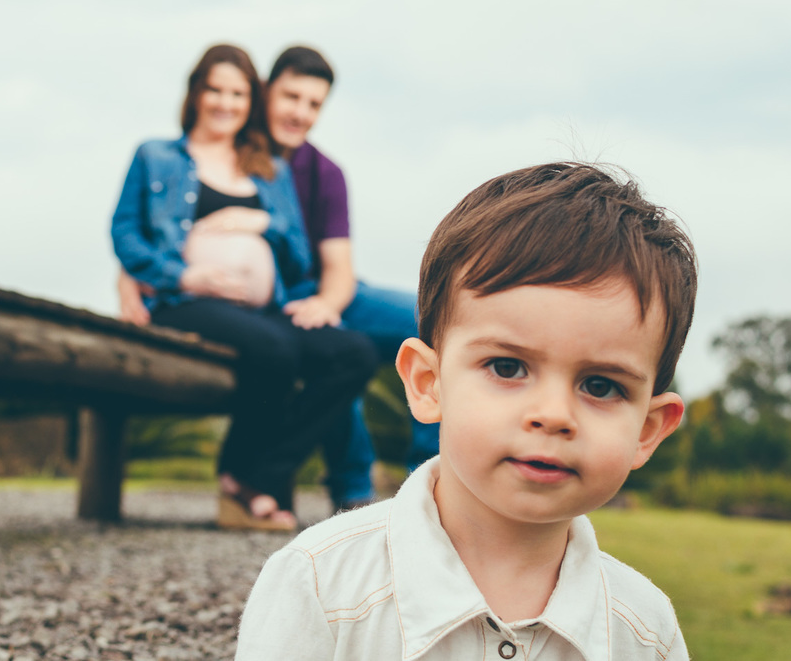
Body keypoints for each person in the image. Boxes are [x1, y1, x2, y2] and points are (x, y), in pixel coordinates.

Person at [236, 162, 696, 660]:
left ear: (647, 431)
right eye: (507, 366)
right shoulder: (322, 585)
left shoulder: (646, 632)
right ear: (427, 383)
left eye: (600, 385)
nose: (553, 414)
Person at [120, 45, 437, 510]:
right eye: (291, 97)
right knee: (322, 349)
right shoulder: (191, 153)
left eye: (313, 104)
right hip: (236, 301)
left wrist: (324, 301)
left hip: (316, 292)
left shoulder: (311, 172)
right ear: (264, 94)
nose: (300, 112)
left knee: (426, 323)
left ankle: (427, 485)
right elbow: (148, 228)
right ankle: (352, 494)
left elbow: (332, 265)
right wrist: (134, 280)